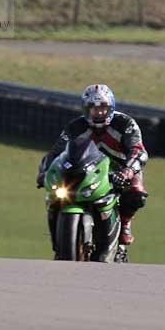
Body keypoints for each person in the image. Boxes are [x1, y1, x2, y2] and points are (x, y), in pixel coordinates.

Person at [36, 83, 148, 247]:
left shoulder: (125, 123)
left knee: (137, 193)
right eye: (93, 108)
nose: (99, 112)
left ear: (111, 107)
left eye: (103, 107)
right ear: (85, 109)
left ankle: (124, 224)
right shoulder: (75, 127)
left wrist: (128, 171)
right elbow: (56, 152)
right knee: (56, 195)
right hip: (87, 170)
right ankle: (58, 237)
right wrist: (45, 171)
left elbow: (139, 151)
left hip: (121, 170)